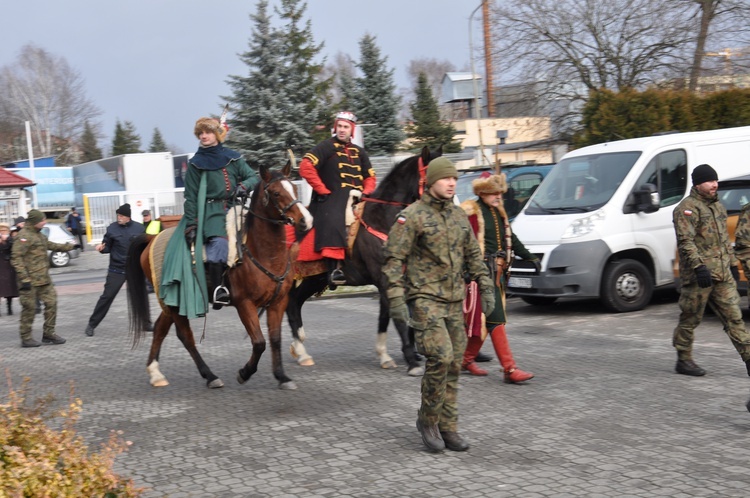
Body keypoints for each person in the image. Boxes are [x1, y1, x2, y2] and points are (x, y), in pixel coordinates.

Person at [383, 157, 494, 453]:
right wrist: (395, 299)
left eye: (454, 179)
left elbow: (473, 256)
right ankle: (428, 420)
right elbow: (394, 260)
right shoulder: (413, 216)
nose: (451, 183)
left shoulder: (458, 216)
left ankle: (449, 426)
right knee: (441, 358)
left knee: (455, 365)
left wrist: (486, 287)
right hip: (424, 299)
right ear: (431, 181)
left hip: (454, 300)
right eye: (446, 178)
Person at [672, 164, 750, 376]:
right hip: (700, 276)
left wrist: (733, 265)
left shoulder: (718, 207)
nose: (715, 184)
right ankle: (683, 358)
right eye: (709, 181)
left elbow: (725, 241)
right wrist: (699, 268)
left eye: (715, 180)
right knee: (691, 318)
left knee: (734, 318)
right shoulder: (686, 208)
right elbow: (685, 242)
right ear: (698, 183)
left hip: (722, 275)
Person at [460, 172, 536, 383]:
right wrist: (467, 272)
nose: (498, 197)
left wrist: (529, 257)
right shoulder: (470, 211)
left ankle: (465, 360)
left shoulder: (499, 212)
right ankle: (509, 369)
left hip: (498, 274)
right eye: (494, 193)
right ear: (483, 192)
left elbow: (511, 237)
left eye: (499, 193)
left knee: (488, 321)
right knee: (495, 319)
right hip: (480, 274)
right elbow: (462, 244)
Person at [180, 116, 259, 309]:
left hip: (235, 207)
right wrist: (191, 223)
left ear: (216, 134)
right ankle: (217, 289)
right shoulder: (196, 164)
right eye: (200, 133)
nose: (203, 136)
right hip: (210, 212)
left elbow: (253, 177)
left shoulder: (233, 157)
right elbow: (190, 197)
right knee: (220, 242)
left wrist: (243, 186)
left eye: (207, 132)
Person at [299, 111, 376, 286]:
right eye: (339, 126)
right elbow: (305, 166)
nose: (342, 130)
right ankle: (334, 270)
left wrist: (368, 191)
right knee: (334, 219)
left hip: (359, 197)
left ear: (352, 130)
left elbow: (370, 177)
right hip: (331, 198)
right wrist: (322, 190)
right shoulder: (325, 146)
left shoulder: (360, 152)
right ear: (335, 128)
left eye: (346, 127)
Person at [10, 209, 76, 347]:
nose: (44, 222)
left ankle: (48, 334)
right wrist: (24, 279)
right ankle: (26, 338)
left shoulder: (39, 235)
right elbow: (16, 258)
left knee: (52, 304)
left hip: (44, 279)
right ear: (35, 222)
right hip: (29, 281)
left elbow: (51, 245)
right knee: (29, 309)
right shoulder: (23, 236)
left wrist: (70, 246)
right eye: (42, 220)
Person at [84, 203, 146, 337]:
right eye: (118, 215)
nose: (119, 218)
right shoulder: (112, 228)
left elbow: (144, 248)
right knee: (107, 297)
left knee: (140, 296)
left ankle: (146, 323)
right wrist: (102, 249)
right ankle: (92, 325)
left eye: (121, 216)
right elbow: (107, 246)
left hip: (134, 269)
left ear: (128, 217)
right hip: (116, 269)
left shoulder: (139, 228)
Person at [0, 222, 19, 316]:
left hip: (8, 266)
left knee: (9, 288)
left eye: (5, 230)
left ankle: (9, 308)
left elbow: (14, 248)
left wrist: (7, 240)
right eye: (1, 230)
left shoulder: (11, 239)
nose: (3, 232)